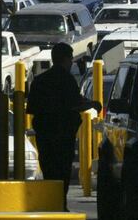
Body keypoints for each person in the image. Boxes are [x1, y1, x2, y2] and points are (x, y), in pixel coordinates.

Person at [27, 43, 101, 210]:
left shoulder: (40, 81)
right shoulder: (66, 80)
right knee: (62, 170)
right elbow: (74, 104)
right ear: (66, 59)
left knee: (48, 169)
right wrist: (93, 105)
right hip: (63, 135)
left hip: (45, 134)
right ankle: (60, 204)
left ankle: (51, 203)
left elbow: (31, 108)